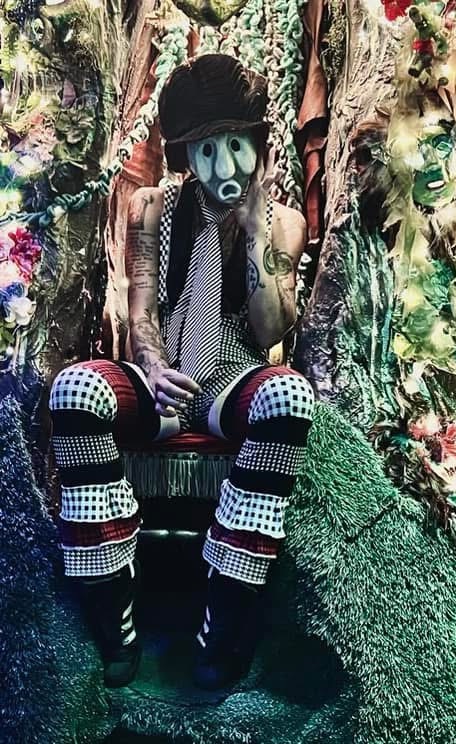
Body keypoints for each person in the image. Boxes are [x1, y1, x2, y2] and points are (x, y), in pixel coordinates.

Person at [48, 54, 313, 690]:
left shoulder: (285, 223)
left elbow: (272, 331)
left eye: (236, 146)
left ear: (258, 144)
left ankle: (224, 620)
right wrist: (153, 364)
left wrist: (254, 231)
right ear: (185, 155)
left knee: (288, 396)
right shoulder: (150, 207)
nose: (224, 168)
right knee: (75, 389)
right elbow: (140, 309)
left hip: (230, 380)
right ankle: (115, 614)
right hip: (165, 377)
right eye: (206, 151)